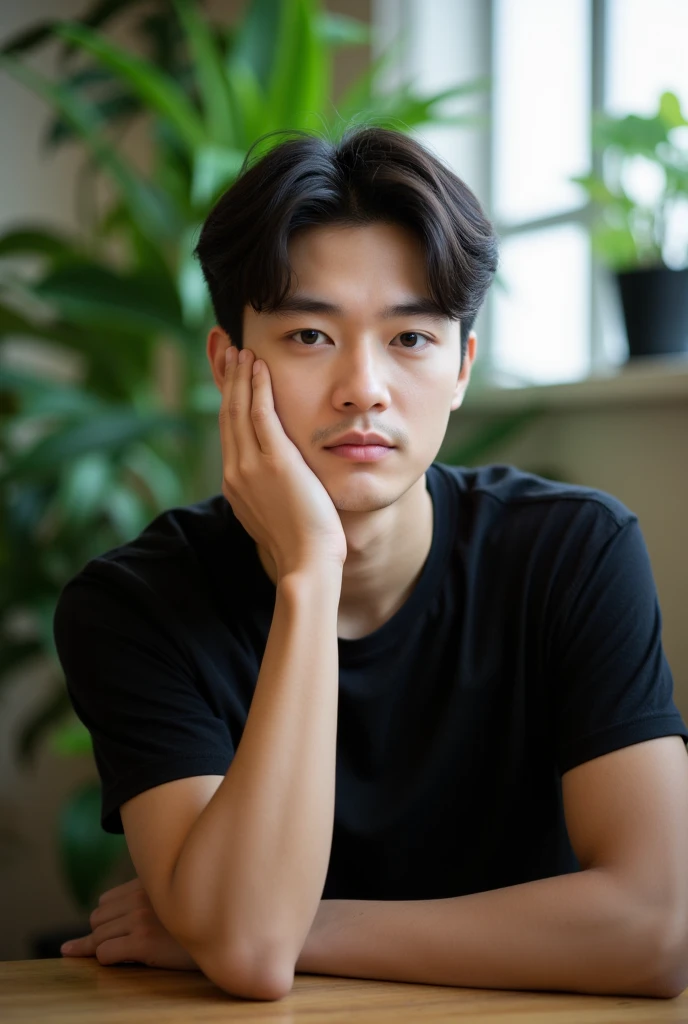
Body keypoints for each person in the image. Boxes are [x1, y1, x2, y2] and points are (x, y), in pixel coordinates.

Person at [53, 126, 688, 1002]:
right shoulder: (134, 604)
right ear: (227, 364)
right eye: (311, 335)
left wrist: (291, 921)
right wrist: (309, 573)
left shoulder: (573, 552)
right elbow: (247, 955)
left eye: (411, 339)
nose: (364, 387)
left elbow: (655, 933)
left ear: (462, 366)